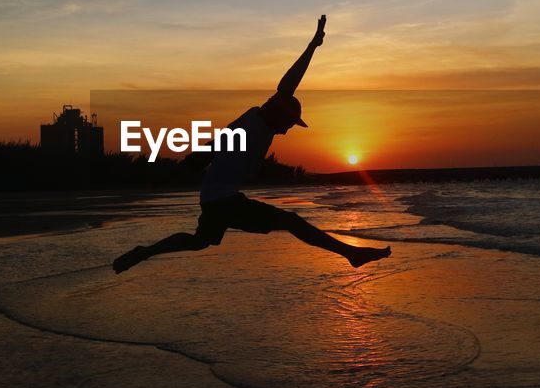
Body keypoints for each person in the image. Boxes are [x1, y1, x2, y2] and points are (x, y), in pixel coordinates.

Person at [112, 15, 392, 273]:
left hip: (214, 199)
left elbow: (209, 150)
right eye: (289, 124)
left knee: (200, 241)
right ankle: (350, 254)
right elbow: (287, 85)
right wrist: (313, 46)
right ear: (280, 113)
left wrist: (169, 177)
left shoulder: (258, 123)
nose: (287, 130)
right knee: (291, 221)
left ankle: (146, 252)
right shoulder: (256, 124)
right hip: (223, 200)